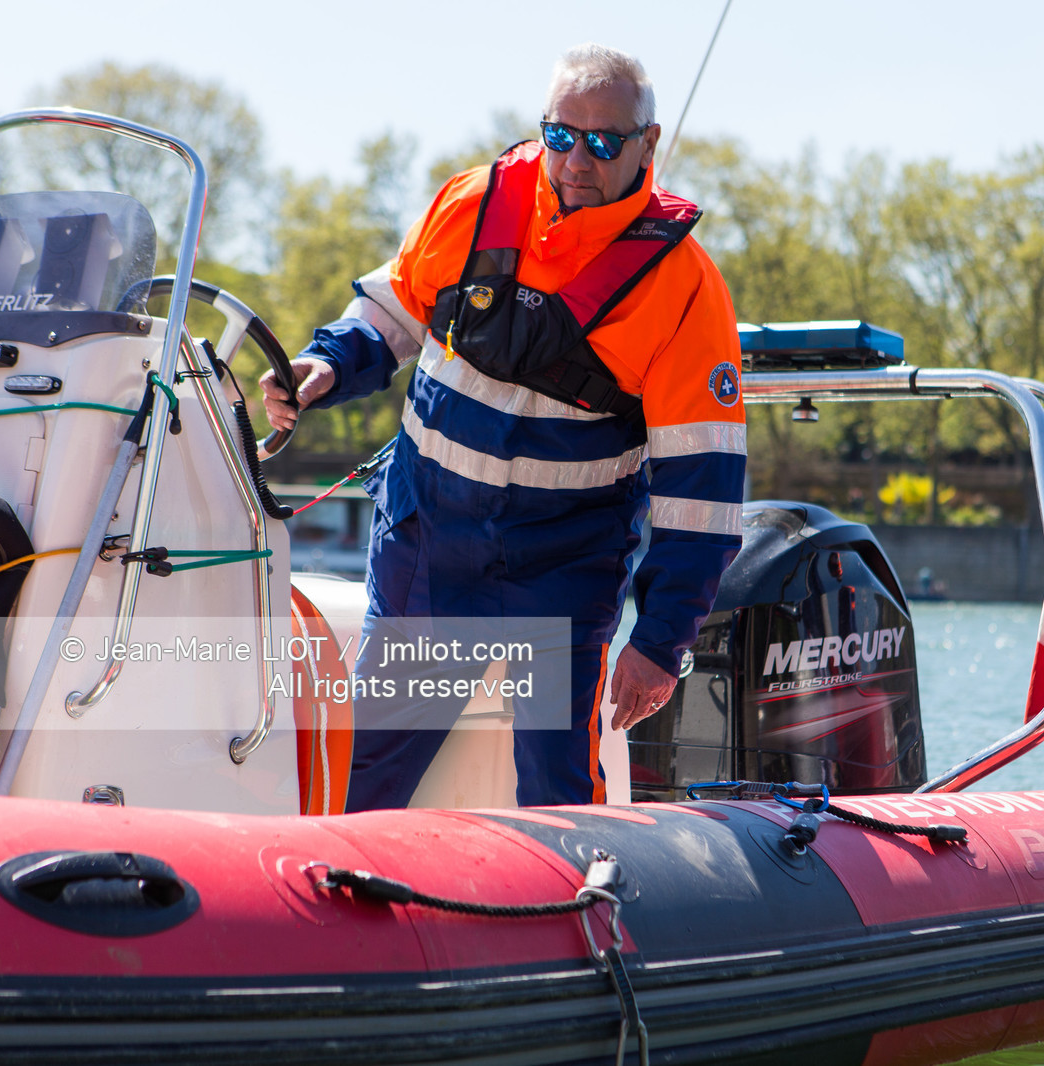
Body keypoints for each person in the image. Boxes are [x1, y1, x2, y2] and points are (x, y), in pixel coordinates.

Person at [261, 44, 746, 810]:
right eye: (561, 135)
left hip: (561, 568)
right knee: (365, 776)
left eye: (604, 141)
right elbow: (394, 305)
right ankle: (338, 909)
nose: (577, 160)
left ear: (647, 145)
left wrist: (660, 642)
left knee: (558, 790)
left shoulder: (685, 289)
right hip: (431, 544)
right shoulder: (475, 199)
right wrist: (326, 364)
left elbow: (704, 493)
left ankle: (576, 915)